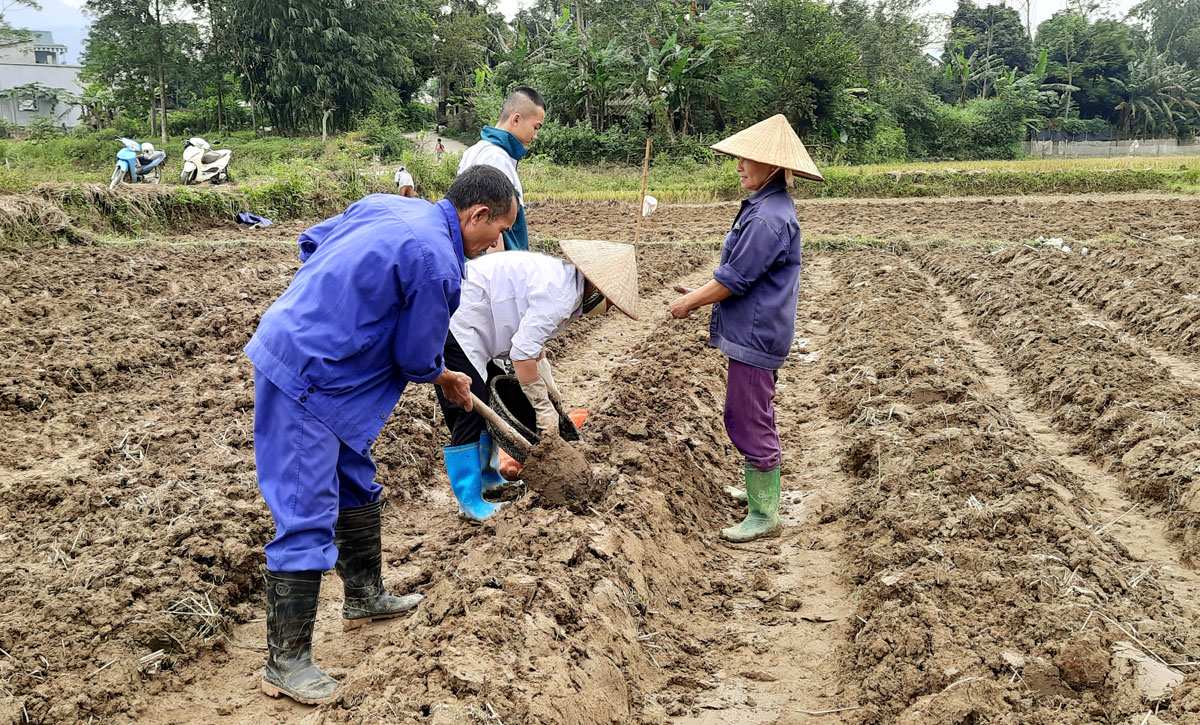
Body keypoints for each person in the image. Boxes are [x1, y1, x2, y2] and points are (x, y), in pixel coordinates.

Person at [244, 166, 518, 706]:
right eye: (497, 232)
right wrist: (438, 371)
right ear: (477, 215)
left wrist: (338, 307)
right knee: (306, 510)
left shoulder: (390, 205)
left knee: (356, 481)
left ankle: (364, 595)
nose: (496, 244)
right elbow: (414, 357)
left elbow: (312, 241)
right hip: (308, 373)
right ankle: (286, 660)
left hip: (337, 375)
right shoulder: (439, 262)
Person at [667, 114, 823, 544]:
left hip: (756, 334)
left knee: (745, 416)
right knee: (754, 411)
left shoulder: (767, 218)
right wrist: (701, 289)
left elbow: (735, 279)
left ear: (771, 167)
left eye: (746, 160)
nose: (738, 166)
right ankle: (758, 489)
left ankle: (764, 513)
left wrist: (690, 301)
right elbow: (739, 274)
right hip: (758, 327)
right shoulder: (765, 208)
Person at [436, 242, 639, 520]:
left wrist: (551, 392)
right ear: (598, 289)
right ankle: (470, 501)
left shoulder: (568, 288)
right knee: (469, 409)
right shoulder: (561, 294)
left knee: (487, 405)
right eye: (610, 303)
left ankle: (490, 480)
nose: (607, 309)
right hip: (457, 322)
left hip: (480, 325)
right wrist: (544, 410)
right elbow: (521, 354)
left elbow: (535, 347)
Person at [458, 87, 545, 251]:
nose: (535, 136)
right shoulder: (496, 159)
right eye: (536, 127)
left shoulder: (475, 150)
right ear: (516, 119)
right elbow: (491, 225)